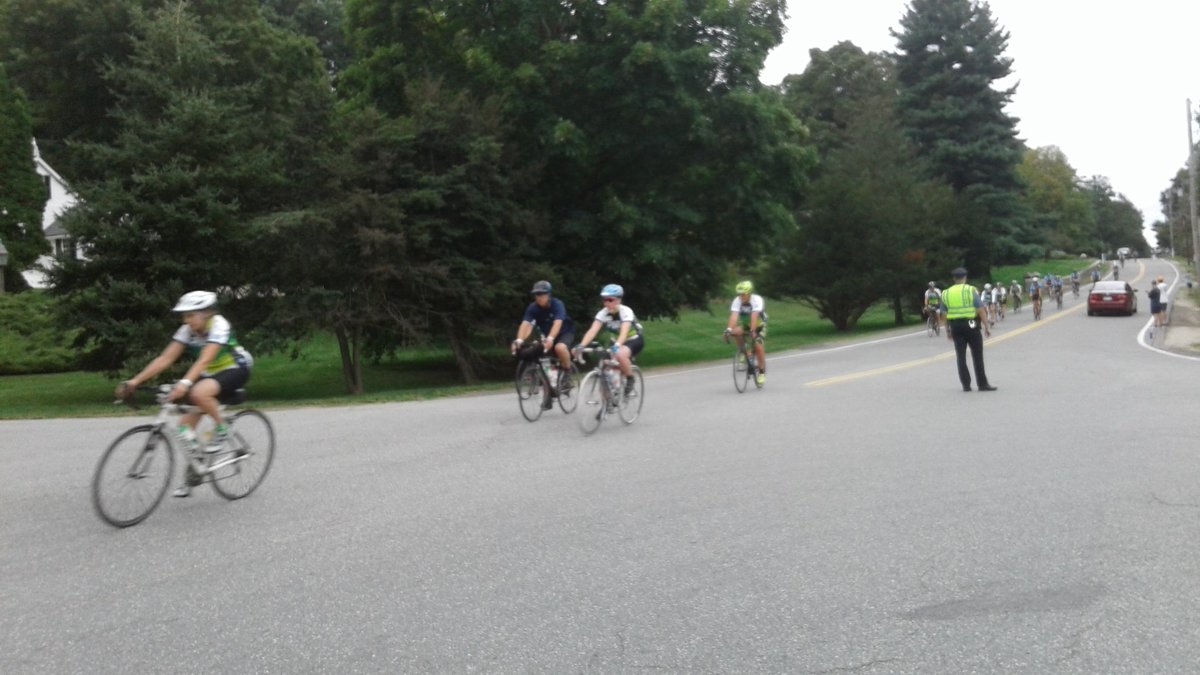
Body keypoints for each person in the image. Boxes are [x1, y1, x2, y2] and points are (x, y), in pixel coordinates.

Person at [116, 291, 254, 497]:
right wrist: (135, 381)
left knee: (198, 393)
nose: (186, 320)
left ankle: (223, 428)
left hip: (236, 367)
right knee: (184, 428)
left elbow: (204, 360)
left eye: (190, 315)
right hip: (209, 375)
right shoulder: (187, 330)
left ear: (206, 313)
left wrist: (186, 382)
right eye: (184, 316)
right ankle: (196, 471)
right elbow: (165, 358)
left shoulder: (219, 324)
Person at [512, 280, 576, 408]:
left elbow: (558, 323)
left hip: (564, 333)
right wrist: (519, 340)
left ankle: (567, 373)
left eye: (542, 294)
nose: (539, 297)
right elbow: (525, 324)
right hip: (548, 337)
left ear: (549, 295)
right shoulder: (533, 308)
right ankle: (548, 395)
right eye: (537, 295)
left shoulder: (557, 304)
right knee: (540, 361)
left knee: (560, 347)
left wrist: (551, 338)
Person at [574, 284, 643, 397]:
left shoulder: (625, 311)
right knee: (604, 366)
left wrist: (617, 344)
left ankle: (630, 379)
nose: (607, 303)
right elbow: (593, 330)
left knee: (620, 354)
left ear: (619, 300)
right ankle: (607, 404)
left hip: (634, 339)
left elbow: (624, 332)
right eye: (605, 300)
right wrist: (581, 345)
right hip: (619, 341)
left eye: (610, 300)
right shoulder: (603, 313)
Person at [940, 268, 995, 392]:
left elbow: (943, 313)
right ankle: (982, 384)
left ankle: (966, 385)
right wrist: (986, 326)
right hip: (970, 323)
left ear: (954, 279)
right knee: (977, 354)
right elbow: (980, 309)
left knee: (960, 356)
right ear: (965, 278)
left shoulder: (946, 293)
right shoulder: (970, 290)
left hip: (955, 325)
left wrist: (947, 329)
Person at [724, 280, 768, 386]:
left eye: (743, 294)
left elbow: (754, 316)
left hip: (759, 324)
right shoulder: (737, 300)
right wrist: (729, 329)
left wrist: (753, 331)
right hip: (746, 324)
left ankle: (761, 372)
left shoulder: (756, 300)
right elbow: (734, 316)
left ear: (749, 293)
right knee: (735, 332)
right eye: (739, 294)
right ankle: (744, 352)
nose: (740, 296)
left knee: (758, 344)